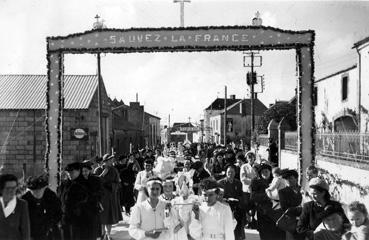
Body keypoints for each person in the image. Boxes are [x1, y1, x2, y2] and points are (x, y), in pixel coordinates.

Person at [250, 163, 285, 240]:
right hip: (263, 213)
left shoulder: (276, 180)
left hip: (276, 212)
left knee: (277, 235)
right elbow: (253, 196)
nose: (264, 173)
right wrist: (268, 196)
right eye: (262, 172)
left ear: (270, 172)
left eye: (266, 171)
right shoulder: (255, 181)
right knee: (265, 235)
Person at [22, 174, 62, 240]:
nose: (38, 192)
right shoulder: (24, 201)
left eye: (40, 189)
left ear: (44, 188)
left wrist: (51, 224)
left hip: (49, 232)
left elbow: (58, 213)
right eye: (35, 190)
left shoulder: (51, 197)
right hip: (32, 233)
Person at [58, 162, 89, 240]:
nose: (69, 174)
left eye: (72, 172)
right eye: (68, 173)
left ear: (78, 171)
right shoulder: (64, 184)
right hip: (65, 219)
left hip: (80, 220)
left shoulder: (84, 184)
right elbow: (60, 199)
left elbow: (86, 202)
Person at [218, 165, 245, 240]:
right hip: (224, 207)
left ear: (235, 173)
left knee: (237, 228)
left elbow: (241, 195)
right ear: (226, 173)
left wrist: (237, 199)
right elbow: (217, 197)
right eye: (229, 172)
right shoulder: (220, 183)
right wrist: (226, 199)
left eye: (232, 172)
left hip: (236, 207)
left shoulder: (238, 183)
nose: (230, 173)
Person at [0, 174, 30, 240]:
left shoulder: (22, 205)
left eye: (14, 188)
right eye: (8, 188)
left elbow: (25, 231)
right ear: (1, 189)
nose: (11, 191)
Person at [99, 154, 122, 240]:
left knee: (109, 216)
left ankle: (108, 234)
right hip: (101, 197)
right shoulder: (98, 170)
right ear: (105, 162)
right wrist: (102, 175)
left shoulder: (114, 170)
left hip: (111, 196)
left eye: (111, 160)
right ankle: (102, 234)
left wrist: (111, 185)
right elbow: (95, 182)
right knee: (102, 216)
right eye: (109, 160)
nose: (111, 162)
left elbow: (118, 183)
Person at [81, 160, 104, 240]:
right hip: (82, 211)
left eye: (86, 171)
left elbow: (101, 193)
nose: (84, 173)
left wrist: (91, 196)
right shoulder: (80, 181)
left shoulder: (96, 180)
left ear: (90, 170)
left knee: (93, 232)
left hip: (93, 208)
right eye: (83, 171)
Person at [278, 169, 303, 240]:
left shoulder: (302, 190)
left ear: (296, 178)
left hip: (304, 222)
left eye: (290, 178)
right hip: (291, 222)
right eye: (286, 179)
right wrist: (300, 209)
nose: (288, 180)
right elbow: (284, 208)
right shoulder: (282, 192)